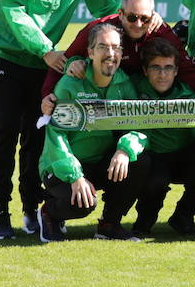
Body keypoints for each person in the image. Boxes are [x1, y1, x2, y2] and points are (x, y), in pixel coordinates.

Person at [0, 0, 119, 240]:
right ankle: (1, 211)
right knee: (4, 133)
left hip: (44, 60)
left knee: (37, 135)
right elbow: (13, 6)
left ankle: (31, 208)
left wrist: (138, 22)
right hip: (4, 52)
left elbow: (107, 7)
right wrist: (45, 49)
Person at [35, 24, 150, 242]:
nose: (110, 54)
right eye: (103, 47)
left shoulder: (124, 83)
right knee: (83, 205)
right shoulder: (70, 83)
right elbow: (56, 136)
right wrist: (75, 176)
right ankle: (49, 212)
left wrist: (125, 150)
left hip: (99, 163)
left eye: (116, 48)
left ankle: (109, 225)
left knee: (140, 161)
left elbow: (138, 125)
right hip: (62, 166)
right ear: (90, 52)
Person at [38, 0, 195, 115]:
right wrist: (47, 95)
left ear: (152, 16)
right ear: (121, 13)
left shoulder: (160, 31)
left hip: (142, 102)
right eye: (132, 17)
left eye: (145, 18)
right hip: (104, 102)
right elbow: (63, 61)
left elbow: (186, 66)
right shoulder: (98, 29)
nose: (138, 24)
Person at [122, 38, 195, 236]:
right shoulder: (132, 88)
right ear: (144, 70)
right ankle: (145, 219)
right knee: (154, 180)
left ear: (177, 71)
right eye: (155, 68)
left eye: (168, 68)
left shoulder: (189, 93)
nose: (162, 75)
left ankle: (184, 215)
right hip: (153, 155)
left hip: (183, 153)